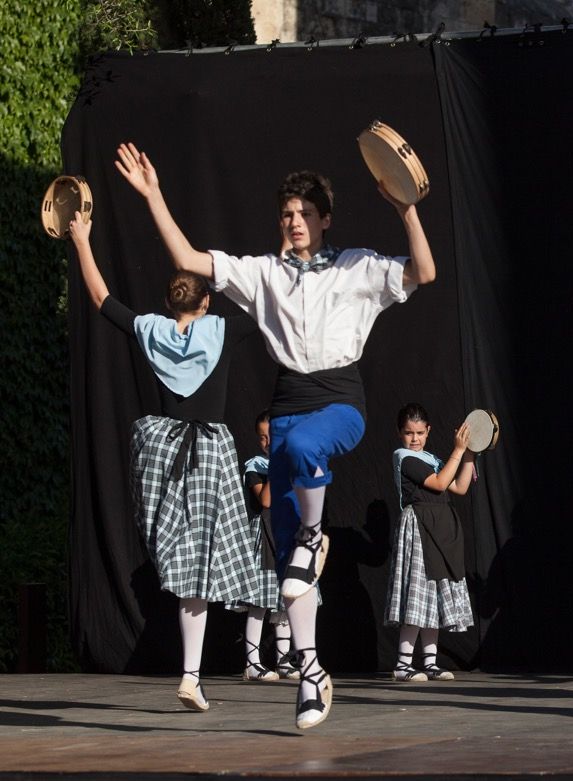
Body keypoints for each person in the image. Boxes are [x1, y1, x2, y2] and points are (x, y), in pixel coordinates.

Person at [116, 141, 436, 729]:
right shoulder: (261, 272)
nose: (294, 222)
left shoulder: (357, 265)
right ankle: (311, 673)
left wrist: (406, 209)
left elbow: (424, 271)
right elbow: (187, 255)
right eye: (287, 213)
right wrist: (153, 195)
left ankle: (315, 534)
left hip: (340, 399)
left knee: (302, 457)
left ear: (325, 219)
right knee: (290, 581)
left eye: (304, 213)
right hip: (288, 402)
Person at [67, 211, 268, 711]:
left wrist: (82, 241)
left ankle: (192, 675)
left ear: (166, 302)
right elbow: (268, 306)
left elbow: (100, 299)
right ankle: (192, 673)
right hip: (207, 454)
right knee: (200, 570)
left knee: (181, 562)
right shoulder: (220, 328)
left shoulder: (151, 329)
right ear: (205, 301)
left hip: (160, 450)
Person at [385, 403, 477, 682]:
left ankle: (430, 662)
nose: (415, 439)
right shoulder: (404, 457)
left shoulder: (433, 458)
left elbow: (459, 486)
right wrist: (458, 451)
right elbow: (438, 484)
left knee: (433, 595)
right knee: (417, 594)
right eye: (409, 433)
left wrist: (470, 452)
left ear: (428, 431)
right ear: (400, 433)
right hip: (419, 527)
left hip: (440, 530)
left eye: (420, 433)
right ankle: (403, 664)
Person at [236, 410, 300, 681]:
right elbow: (265, 501)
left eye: (272, 436)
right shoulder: (255, 465)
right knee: (260, 602)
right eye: (262, 437)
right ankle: (252, 663)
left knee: (286, 600)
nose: (267, 442)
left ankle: (284, 660)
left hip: (287, 535)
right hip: (264, 538)